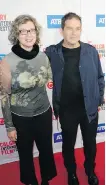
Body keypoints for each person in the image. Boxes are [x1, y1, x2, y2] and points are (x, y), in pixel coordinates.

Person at [45, 12, 105, 185]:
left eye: (77, 28)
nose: (73, 33)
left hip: (89, 109)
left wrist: (98, 97)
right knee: (68, 146)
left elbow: (100, 78)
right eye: (69, 28)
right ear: (61, 30)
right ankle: (71, 173)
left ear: (81, 30)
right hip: (67, 110)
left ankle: (90, 171)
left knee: (90, 145)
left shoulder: (91, 51)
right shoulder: (52, 52)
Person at [0, 14, 57, 185]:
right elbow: (4, 96)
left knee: (46, 150)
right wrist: (9, 125)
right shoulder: (7, 62)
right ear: (16, 35)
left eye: (31, 30)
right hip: (21, 119)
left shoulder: (43, 57)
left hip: (43, 114)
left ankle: (46, 178)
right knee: (25, 154)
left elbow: (48, 79)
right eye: (23, 31)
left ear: (36, 32)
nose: (28, 35)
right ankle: (30, 181)